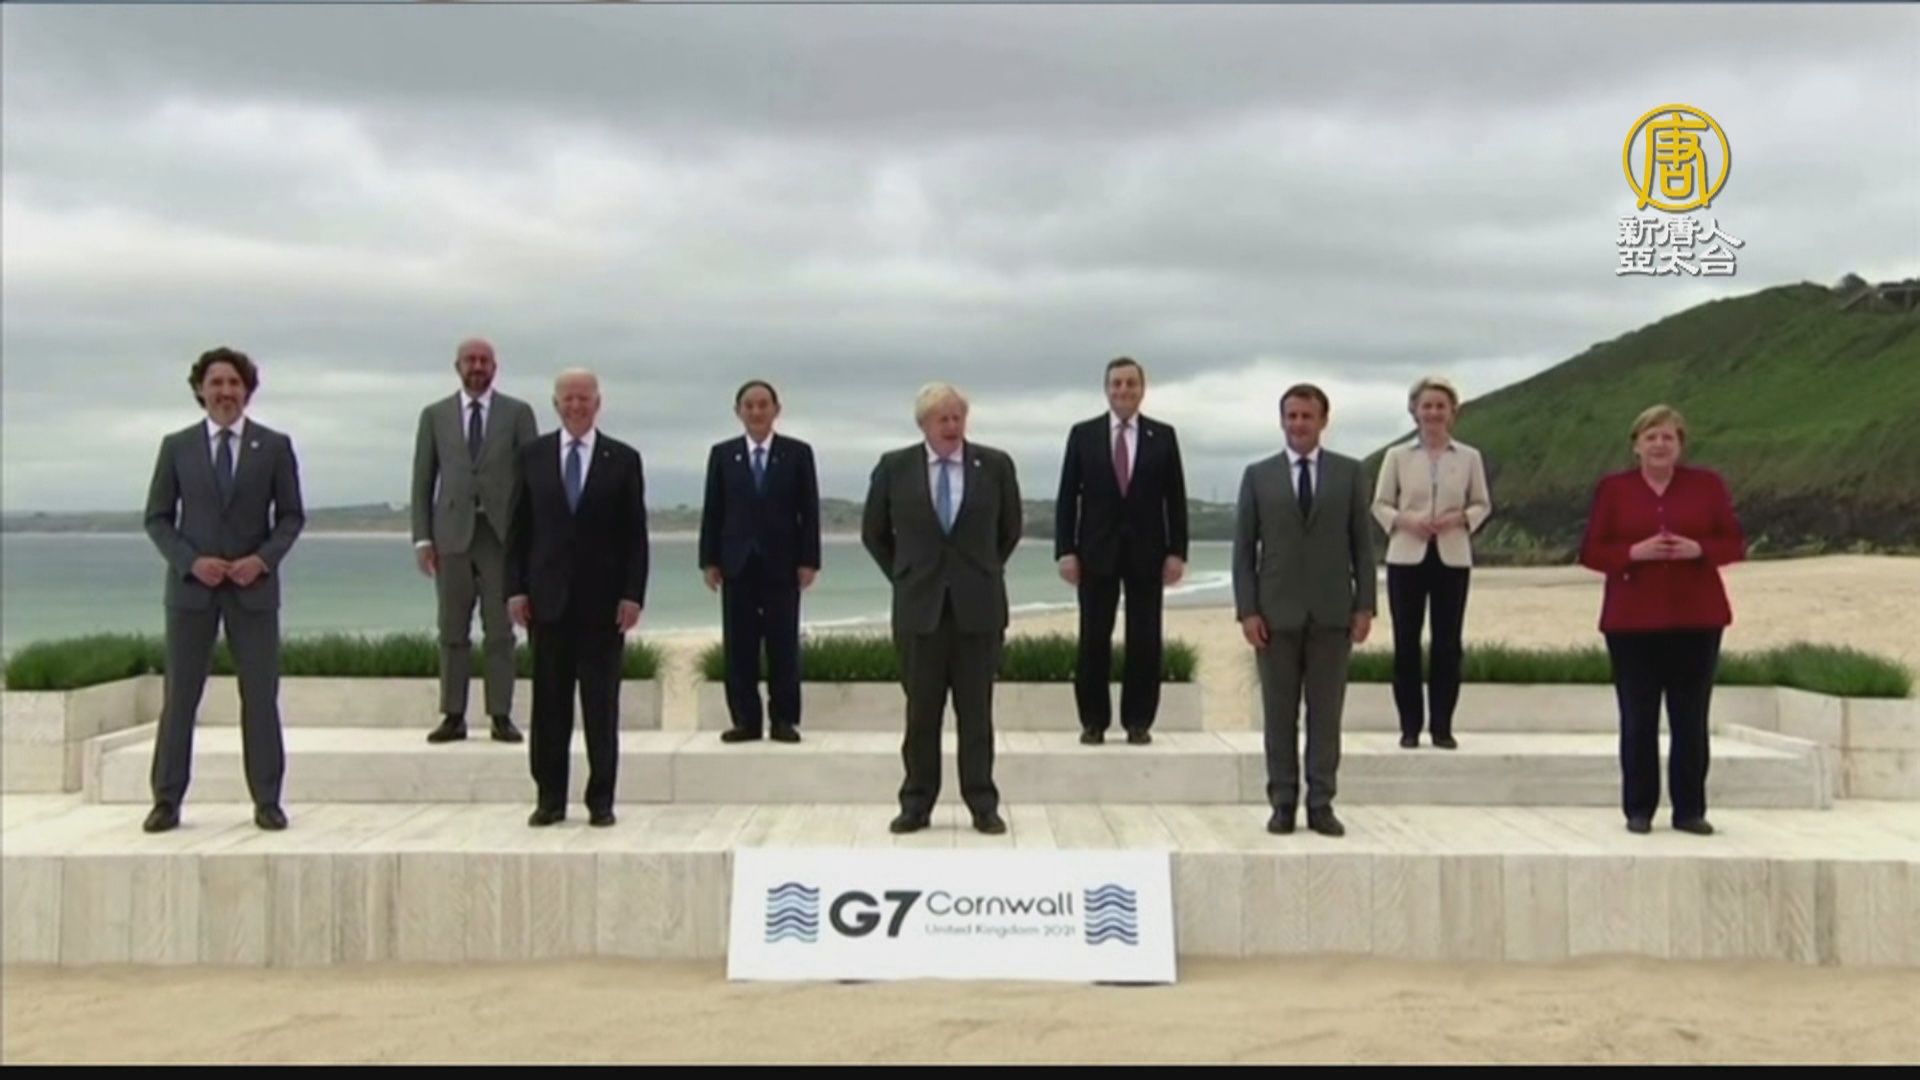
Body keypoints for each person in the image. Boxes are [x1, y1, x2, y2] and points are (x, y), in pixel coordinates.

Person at [140, 347, 306, 833]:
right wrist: (191, 562)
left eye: (234, 383)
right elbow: (157, 518)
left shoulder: (273, 446)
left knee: (260, 696)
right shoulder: (177, 447)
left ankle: (267, 800)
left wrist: (262, 560)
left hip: (253, 592)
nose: (225, 392)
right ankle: (166, 801)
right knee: (180, 697)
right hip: (191, 593)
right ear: (200, 390)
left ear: (247, 390)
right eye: (216, 383)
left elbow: (291, 517)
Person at [860, 382, 1022, 835]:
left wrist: (980, 570)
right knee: (921, 715)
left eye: (957, 417)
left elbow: (1009, 530)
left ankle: (982, 804)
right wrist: (906, 574)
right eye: (942, 419)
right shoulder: (894, 467)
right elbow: (874, 533)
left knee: (977, 714)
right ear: (924, 424)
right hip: (920, 610)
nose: (951, 426)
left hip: (978, 609)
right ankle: (916, 803)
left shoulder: (995, 465)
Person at [1578, 404, 1746, 836]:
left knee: (1690, 717)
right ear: (1636, 446)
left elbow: (1733, 543)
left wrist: (1699, 549)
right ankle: (1639, 809)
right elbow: (1591, 551)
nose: (1659, 444)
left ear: (1680, 445)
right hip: (1631, 620)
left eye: (1667, 437)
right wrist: (1633, 553)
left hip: (1697, 617)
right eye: (1650, 437)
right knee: (1638, 718)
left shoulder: (1706, 485)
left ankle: (1689, 810)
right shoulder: (1614, 489)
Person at [505, 369, 650, 828]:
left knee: (600, 707)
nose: (576, 405)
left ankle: (601, 800)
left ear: (597, 403)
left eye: (583, 397)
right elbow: (518, 530)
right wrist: (515, 589)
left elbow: (635, 536)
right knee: (549, 707)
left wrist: (632, 595)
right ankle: (549, 799)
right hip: (546, 603)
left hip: (603, 606)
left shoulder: (623, 459)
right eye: (568, 398)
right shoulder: (531, 456)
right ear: (555, 404)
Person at [1232, 383, 1376, 838]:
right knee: (1279, 715)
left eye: (1306, 416)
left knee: (1325, 715)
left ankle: (1321, 803)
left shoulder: (1349, 473)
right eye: (1291, 416)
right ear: (1282, 421)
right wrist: (1248, 610)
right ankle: (1282, 802)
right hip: (1275, 615)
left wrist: (1365, 605)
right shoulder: (1258, 476)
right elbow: (1243, 550)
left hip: (1333, 613)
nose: (1298, 424)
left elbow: (1363, 545)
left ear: (1323, 421)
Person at [1053, 357, 1190, 746]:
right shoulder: (1083, 435)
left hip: (1148, 553)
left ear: (1142, 389)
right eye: (1116, 383)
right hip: (1096, 552)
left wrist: (1177, 551)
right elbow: (1067, 497)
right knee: (1093, 639)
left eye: (1131, 383)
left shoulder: (1163, 436)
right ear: (1106, 389)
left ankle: (1138, 721)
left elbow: (1175, 498)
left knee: (1145, 639)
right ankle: (1093, 721)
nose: (1123, 390)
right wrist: (1065, 550)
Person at [410, 337, 540, 746]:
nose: (477, 366)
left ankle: (501, 715)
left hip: (501, 536)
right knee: (452, 629)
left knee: (500, 630)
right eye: (470, 360)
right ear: (458, 367)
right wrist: (421, 538)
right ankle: (453, 715)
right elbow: (422, 479)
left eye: (484, 360)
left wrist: (532, 538)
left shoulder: (518, 413)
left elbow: (534, 478)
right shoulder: (435, 415)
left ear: (494, 368)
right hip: (451, 536)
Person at [1370, 376, 1493, 750]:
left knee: (1447, 644)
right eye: (1427, 406)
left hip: (1452, 557)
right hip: (1407, 556)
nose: (1434, 413)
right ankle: (1409, 727)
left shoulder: (1469, 457)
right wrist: (1405, 521)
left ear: (1453, 411)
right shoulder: (1397, 456)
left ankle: (1442, 726)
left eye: (1441, 406)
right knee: (1406, 643)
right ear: (1414, 411)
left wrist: (1461, 519)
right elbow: (1380, 504)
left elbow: (1482, 503)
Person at [699, 380, 823, 744]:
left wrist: (809, 560)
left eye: (763, 404)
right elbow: (713, 510)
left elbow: (809, 510)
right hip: (736, 563)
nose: (756, 411)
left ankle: (784, 719)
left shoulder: (797, 453)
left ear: (776, 409)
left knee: (783, 644)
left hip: (782, 563)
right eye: (749, 405)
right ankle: (745, 720)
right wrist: (709, 560)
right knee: (739, 646)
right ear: (738, 411)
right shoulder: (723, 455)